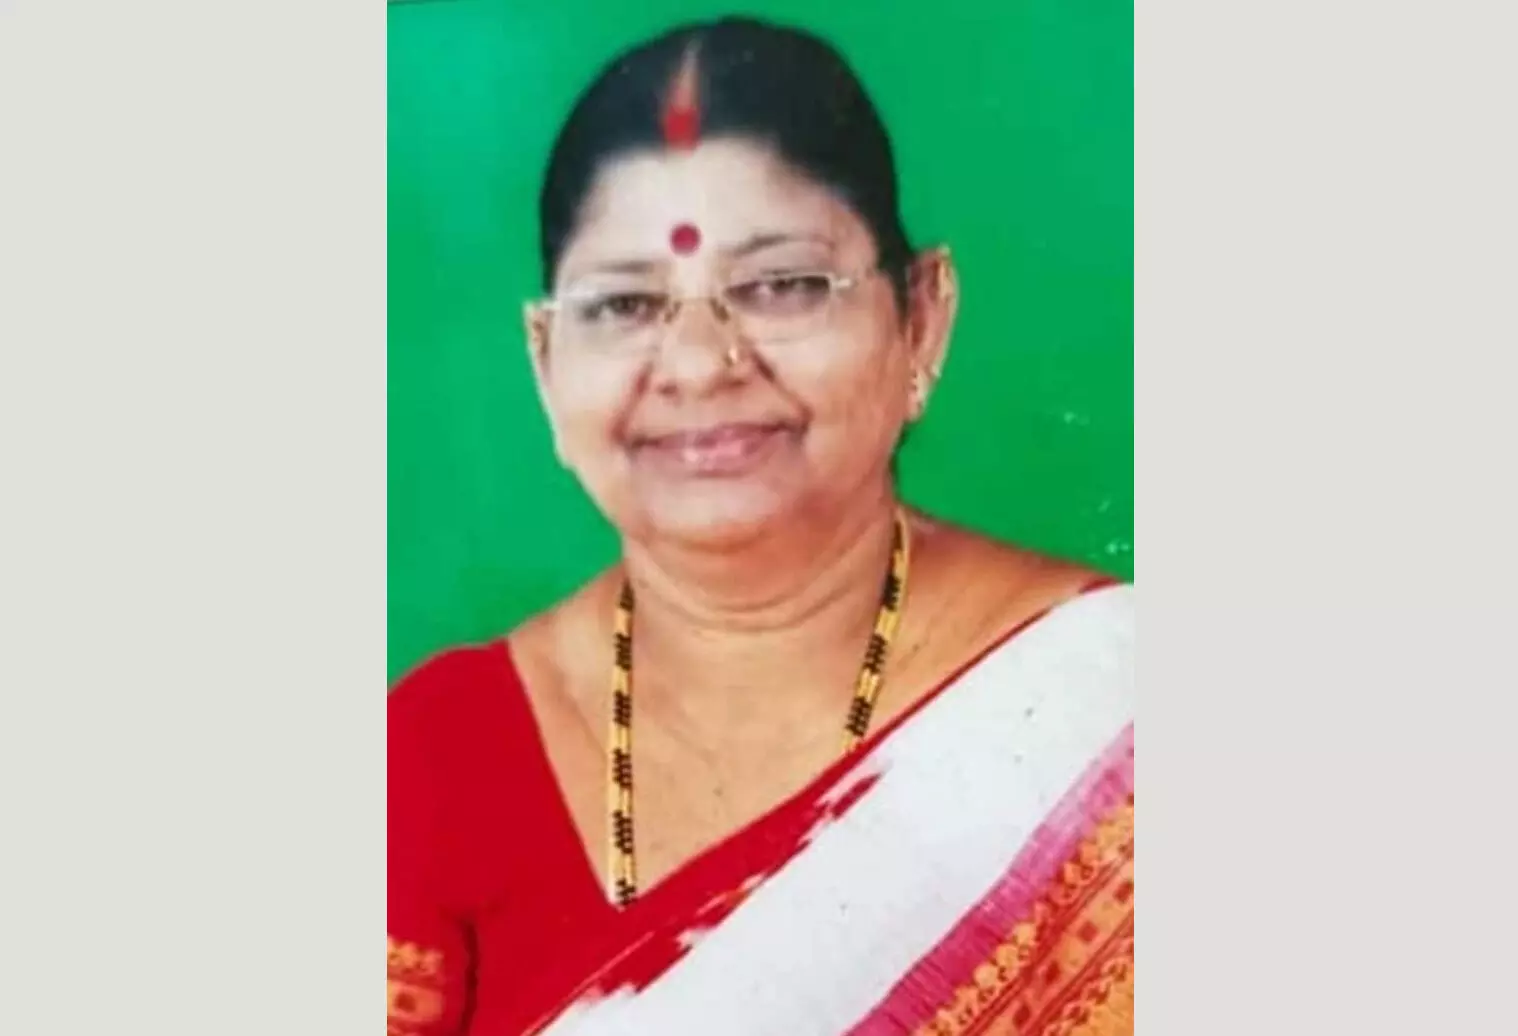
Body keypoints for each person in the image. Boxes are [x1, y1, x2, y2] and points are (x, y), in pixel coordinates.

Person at [388, 15, 1133, 1036]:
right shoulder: (433, 760)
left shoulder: (1110, 712)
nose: (700, 364)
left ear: (922, 316)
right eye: (625, 305)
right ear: (545, 358)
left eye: (781, 285)